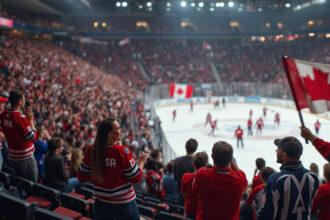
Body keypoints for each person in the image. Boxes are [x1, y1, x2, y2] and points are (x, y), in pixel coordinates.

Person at [78, 117, 148, 220]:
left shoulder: (91, 150)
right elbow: (136, 178)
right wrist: (141, 161)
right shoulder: (122, 151)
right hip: (123, 205)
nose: (121, 130)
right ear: (110, 134)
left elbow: (82, 176)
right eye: (119, 128)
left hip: (100, 204)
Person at [258, 137, 320, 219]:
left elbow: (267, 215)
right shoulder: (313, 177)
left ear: (284, 155)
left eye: (278, 149)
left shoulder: (276, 180)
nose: (276, 151)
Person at [193, 141, 247, 220]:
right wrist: (232, 162)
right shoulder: (240, 178)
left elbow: (195, 190)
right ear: (230, 159)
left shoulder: (202, 174)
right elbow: (243, 182)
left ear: (212, 156)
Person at [0, 90, 38, 182]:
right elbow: (33, 138)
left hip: (12, 155)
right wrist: (31, 120)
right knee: (32, 184)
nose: (25, 101)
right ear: (20, 102)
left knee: (19, 182)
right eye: (24, 99)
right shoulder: (20, 117)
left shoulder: (3, 114)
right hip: (25, 157)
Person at [182, 151, 208, 219]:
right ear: (206, 165)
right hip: (202, 212)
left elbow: (184, 194)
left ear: (193, 164)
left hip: (189, 210)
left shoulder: (186, 176)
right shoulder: (209, 180)